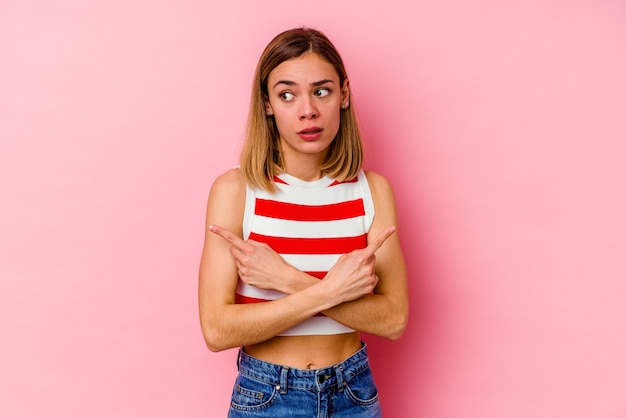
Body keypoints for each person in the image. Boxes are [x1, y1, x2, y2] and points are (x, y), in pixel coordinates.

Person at [198, 27, 408, 417]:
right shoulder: (237, 191)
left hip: (354, 395)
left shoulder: (372, 191)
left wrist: (285, 278)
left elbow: (393, 319)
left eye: (322, 91)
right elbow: (217, 329)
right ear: (267, 104)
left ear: (343, 95)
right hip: (266, 396)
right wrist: (334, 292)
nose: (307, 110)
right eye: (287, 94)